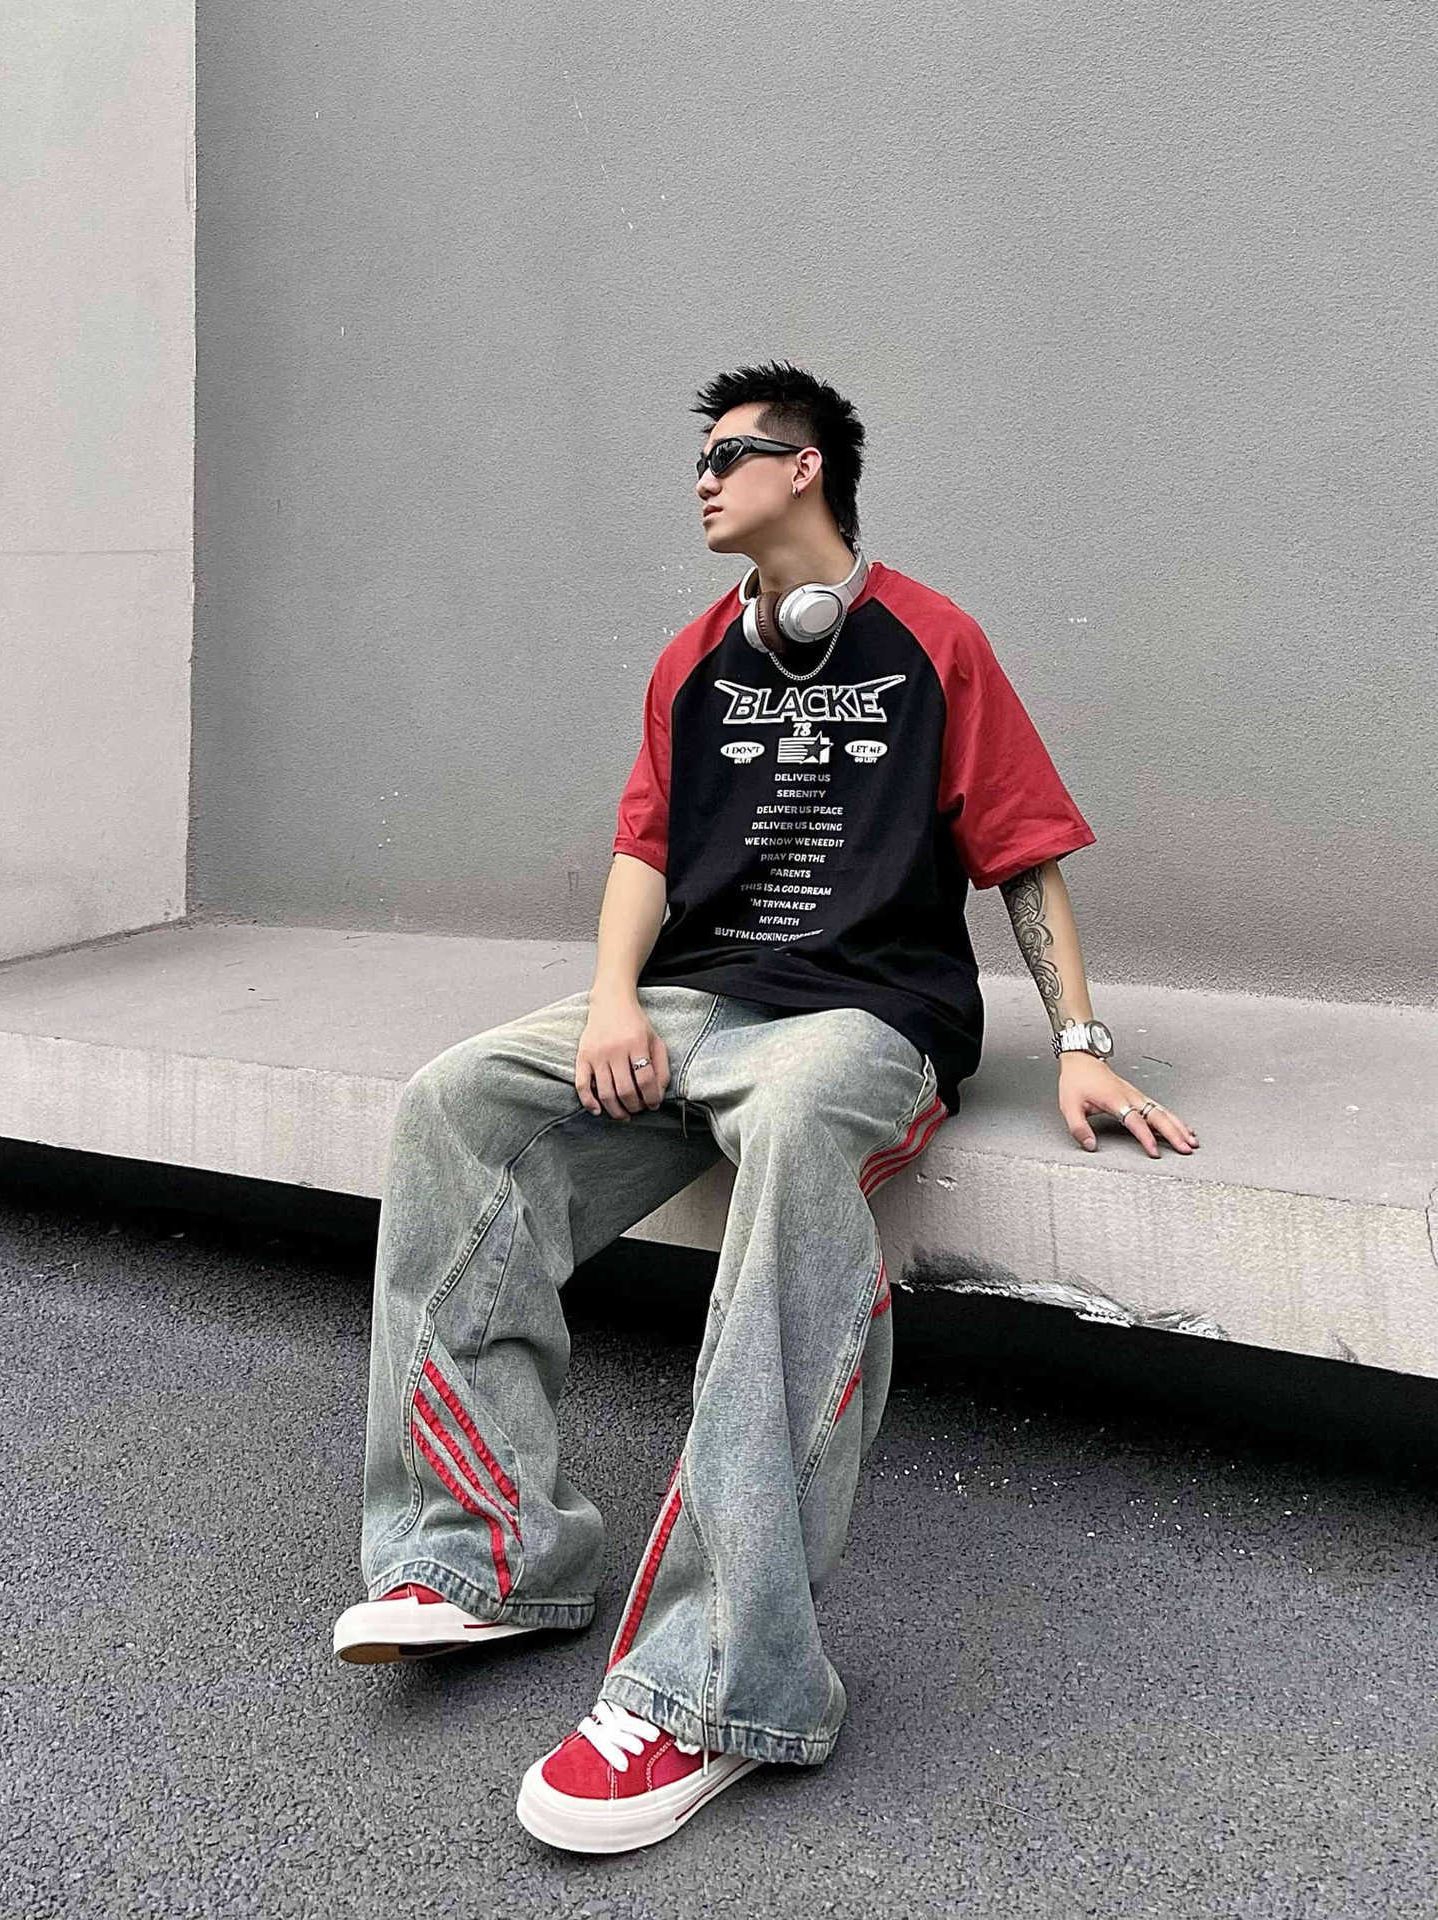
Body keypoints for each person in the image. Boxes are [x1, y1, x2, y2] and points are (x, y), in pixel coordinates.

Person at [331, 359, 1200, 1855]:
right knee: (454, 1102)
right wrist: (614, 999)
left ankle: (720, 1681)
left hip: (865, 1021)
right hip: (695, 1005)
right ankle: (479, 1554)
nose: (703, 478)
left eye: (729, 454)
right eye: (699, 458)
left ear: (807, 468)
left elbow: (1022, 851)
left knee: (794, 1138)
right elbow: (644, 852)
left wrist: (1079, 1038)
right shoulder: (691, 661)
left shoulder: (935, 643)